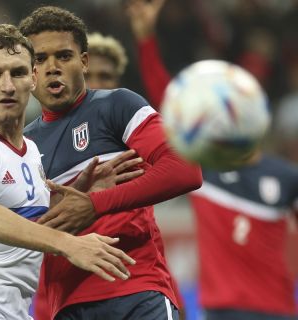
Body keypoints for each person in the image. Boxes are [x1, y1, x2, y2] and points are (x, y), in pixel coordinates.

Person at [0, 23, 138, 320]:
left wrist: (83, 193)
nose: (7, 85)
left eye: (17, 73)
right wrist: (69, 245)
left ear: (32, 78)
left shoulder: (30, 151)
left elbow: (27, 220)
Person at [18, 6, 202, 320]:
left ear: (83, 62)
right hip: (67, 305)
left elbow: (186, 170)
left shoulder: (117, 105)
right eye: (39, 59)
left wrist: (96, 203)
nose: (52, 67)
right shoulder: (22, 147)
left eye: (63, 56)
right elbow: (17, 236)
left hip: (137, 292)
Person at [126, 0, 298, 319]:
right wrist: (146, 37)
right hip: (221, 309)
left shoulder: (287, 177)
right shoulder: (205, 169)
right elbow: (170, 105)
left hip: (278, 308)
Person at [84, 30, 188, 320]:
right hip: (70, 293)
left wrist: (146, 38)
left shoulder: (136, 135)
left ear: (118, 84)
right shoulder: (44, 142)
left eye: (105, 77)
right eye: (88, 76)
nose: (95, 85)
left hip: (135, 285)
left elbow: (174, 114)